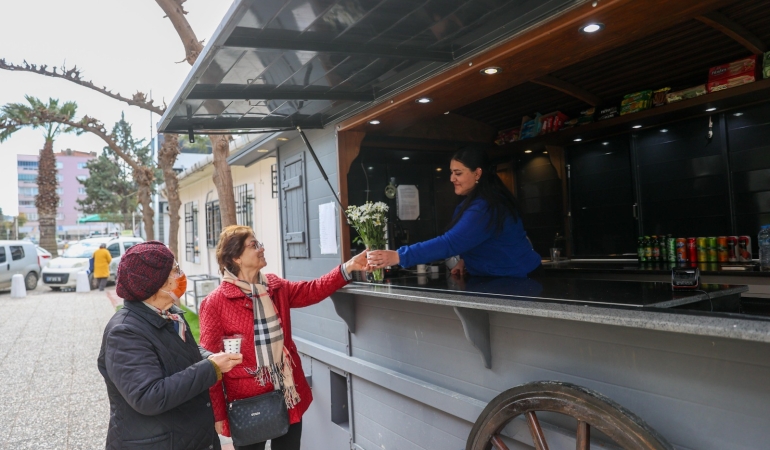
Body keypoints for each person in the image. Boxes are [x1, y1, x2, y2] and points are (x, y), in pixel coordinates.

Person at [199, 225, 370, 450]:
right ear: (236, 258)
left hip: (288, 393)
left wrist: (347, 268)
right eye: (254, 245)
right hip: (248, 404)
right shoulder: (215, 303)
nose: (261, 248)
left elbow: (312, 290)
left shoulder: (275, 287)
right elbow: (211, 364)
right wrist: (218, 413)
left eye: (259, 244)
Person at [97, 241, 243, 450]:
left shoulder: (168, 313)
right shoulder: (125, 332)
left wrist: (210, 357)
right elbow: (149, 396)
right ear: (157, 283)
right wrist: (210, 368)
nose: (181, 275)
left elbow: (178, 352)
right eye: (175, 270)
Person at [368, 146, 542, 278]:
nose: (452, 178)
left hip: (520, 278)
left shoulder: (485, 207)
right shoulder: (476, 202)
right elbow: (475, 239)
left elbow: (450, 243)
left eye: (458, 173)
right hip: (502, 277)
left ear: (477, 173)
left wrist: (399, 256)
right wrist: (466, 260)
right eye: (451, 172)